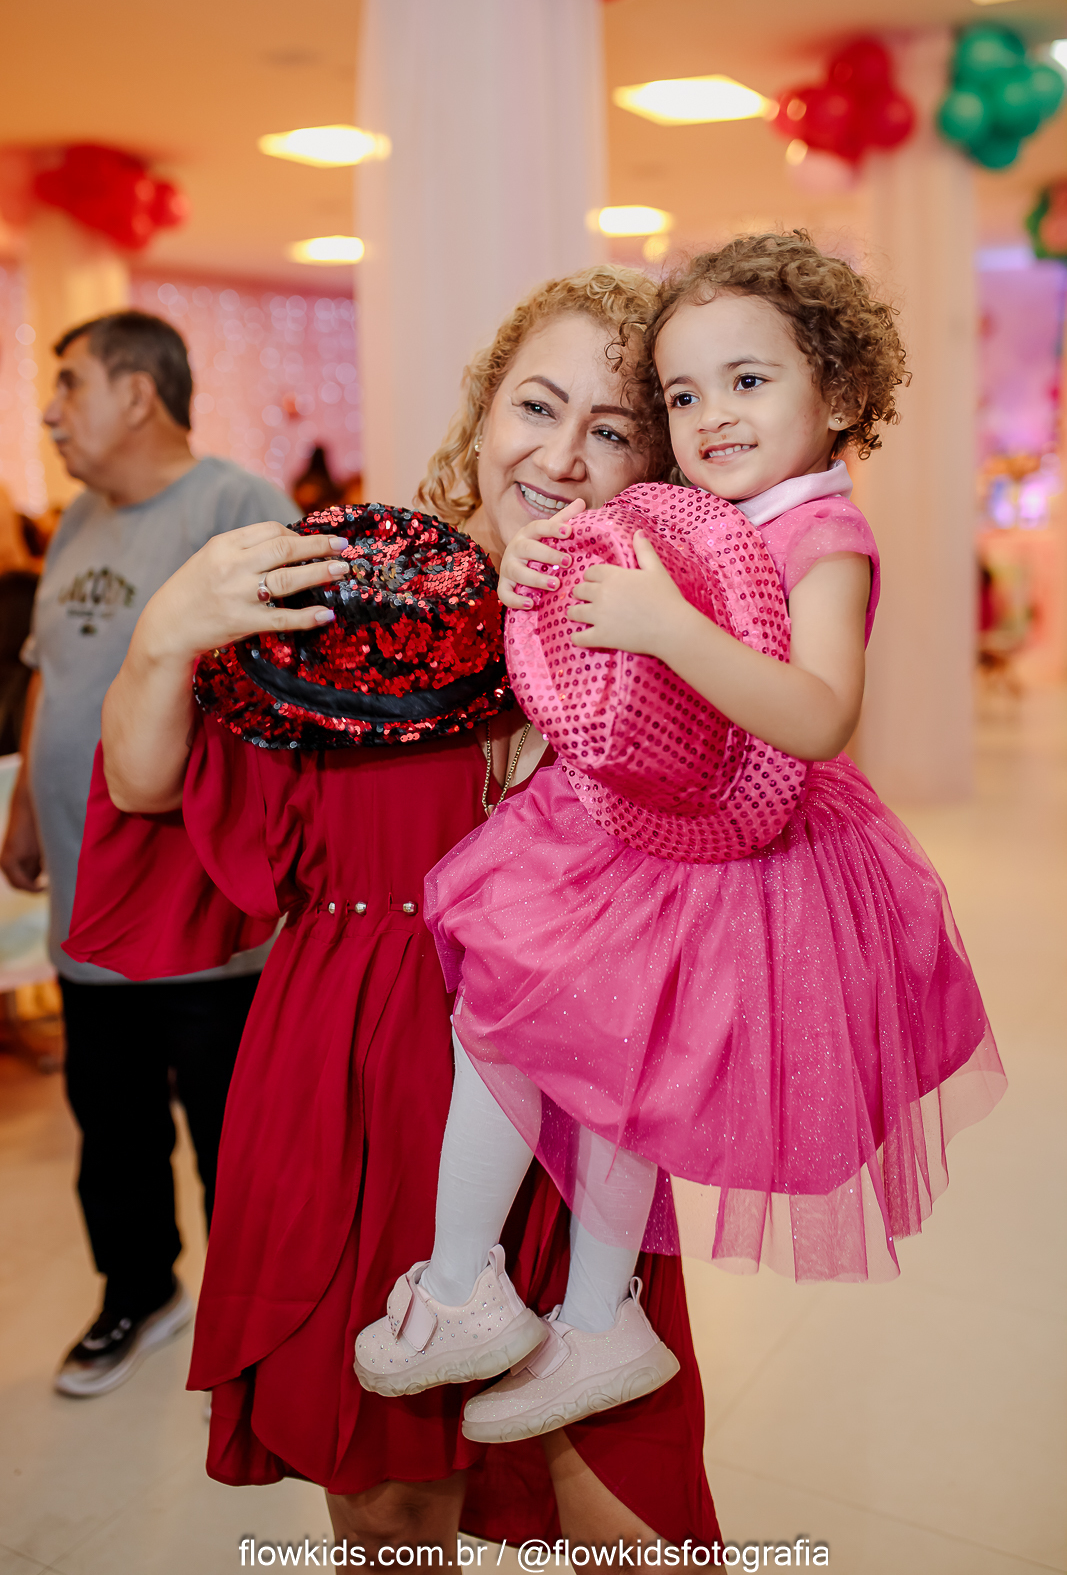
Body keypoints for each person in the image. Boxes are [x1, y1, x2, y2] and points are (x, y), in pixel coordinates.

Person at [65, 269, 722, 1551]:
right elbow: (149, 788)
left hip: (568, 1091)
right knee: (391, 1507)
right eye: (537, 406)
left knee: (624, 1508)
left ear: (653, 465)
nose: (561, 456)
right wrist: (164, 634)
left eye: (611, 429)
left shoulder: (653, 622)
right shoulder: (358, 598)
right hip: (356, 1074)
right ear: (483, 410)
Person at [388, 232, 1008, 1440]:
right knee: (609, 1075)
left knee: (553, 1044)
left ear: (838, 392)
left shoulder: (822, 536)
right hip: (657, 829)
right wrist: (539, 579)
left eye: (747, 380)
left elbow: (817, 714)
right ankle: (570, 1312)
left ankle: (504, 1296)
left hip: (739, 850)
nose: (710, 415)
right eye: (681, 395)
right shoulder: (709, 511)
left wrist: (666, 624)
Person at [0, 310, 291, 1397]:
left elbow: (286, 695)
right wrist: (27, 801)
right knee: (109, 1119)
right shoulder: (79, 517)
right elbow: (50, 670)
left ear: (137, 393)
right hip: (86, 897)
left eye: (69, 383)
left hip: (197, 906)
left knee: (232, 1128)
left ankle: (256, 1321)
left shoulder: (236, 507)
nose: (49, 411)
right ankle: (139, 1290)